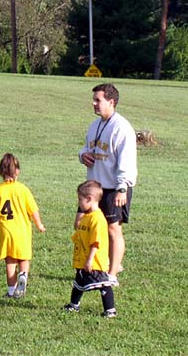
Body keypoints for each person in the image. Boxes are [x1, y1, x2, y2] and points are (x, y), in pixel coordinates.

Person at [77, 83, 137, 283]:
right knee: (86, 224)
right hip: (94, 187)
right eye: (93, 99)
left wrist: (122, 188)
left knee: (113, 228)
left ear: (111, 102)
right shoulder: (94, 125)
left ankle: (112, 274)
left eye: (98, 100)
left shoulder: (122, 128)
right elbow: (86, 147)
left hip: (114, 187)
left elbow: (126, 161)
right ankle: (96, 265)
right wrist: (82, 155)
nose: (93, 103)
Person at [0, 153, 46, 299]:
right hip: (22, 231)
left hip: (5, 231)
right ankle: (23, 275)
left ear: (0, 172)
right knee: (24, 258)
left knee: (10, 261)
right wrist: (39, 224)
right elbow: (33, 210)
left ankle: (11, 291)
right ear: (17, 171)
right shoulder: (22, 189)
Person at [63, 180, 117, 318]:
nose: (79, 203)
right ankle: (74, 305)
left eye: (80, 199)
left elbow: (96, 242)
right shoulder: (86, 217)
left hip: (94, 261)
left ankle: (110, 310)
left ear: (89, 199)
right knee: (78, 283)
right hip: (83, 258)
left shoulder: (97, 219)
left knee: (103, 284)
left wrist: (90, 259)